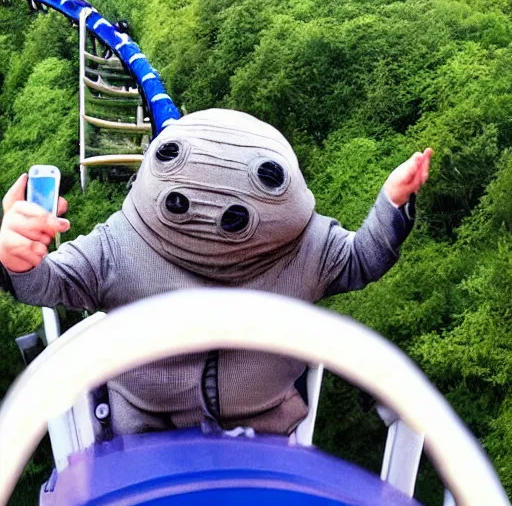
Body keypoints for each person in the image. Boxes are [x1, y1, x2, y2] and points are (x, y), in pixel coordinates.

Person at [0, 109, 432, 436]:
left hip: (264, 430)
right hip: (144, 432)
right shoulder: (121, 244)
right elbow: (48, 282)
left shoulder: (304, 248)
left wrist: (392, 205)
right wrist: (16, 258)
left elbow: (360, 259)